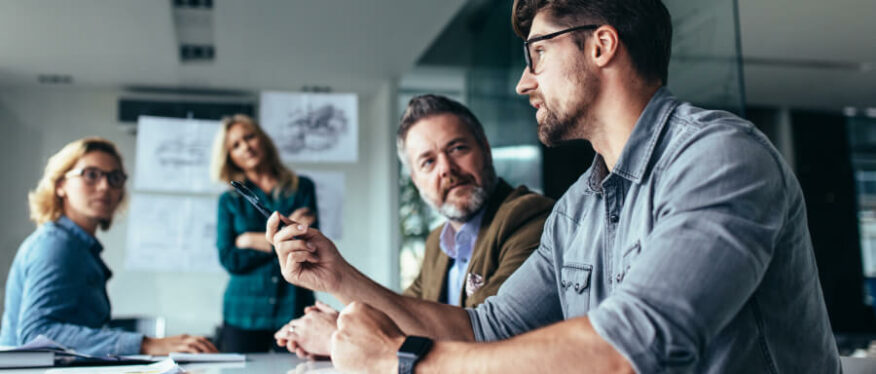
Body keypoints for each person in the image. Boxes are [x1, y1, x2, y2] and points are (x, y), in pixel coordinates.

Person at [266, 0, 843, 372]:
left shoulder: (720, 156)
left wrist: (404, 360)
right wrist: (337, 276)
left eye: (538, 54)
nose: (523, 82)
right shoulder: (579, 209)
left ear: (601, 45)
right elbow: (483, 328)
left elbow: (634, 347)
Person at [273, 95, 554, 359]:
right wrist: (344, 321)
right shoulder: (438, 243)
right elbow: (402, 318)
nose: (446, 168)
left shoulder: (529, 217)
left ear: (485, 148)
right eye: (428, 162)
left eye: (457, 148)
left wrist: (339, 335)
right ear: (416, 180)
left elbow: (484, 337)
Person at [0, 137, 217, 356]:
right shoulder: (56, 245)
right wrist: (146, 344)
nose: (105, 187)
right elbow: (38, 334)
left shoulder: (80, 248)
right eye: (91, 175)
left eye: (115, 178)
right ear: (60, 185)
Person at [211, 114, 318, 353]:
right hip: (243, 313)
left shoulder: (302, 188)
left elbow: (308, 247)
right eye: (235, 145)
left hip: (293, 306)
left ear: (263, 140)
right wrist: (282, 240)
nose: (246, 147)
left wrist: (249, 240)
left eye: (249, 137)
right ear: (230, 157)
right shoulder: (229, 200)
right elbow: (230, 258)